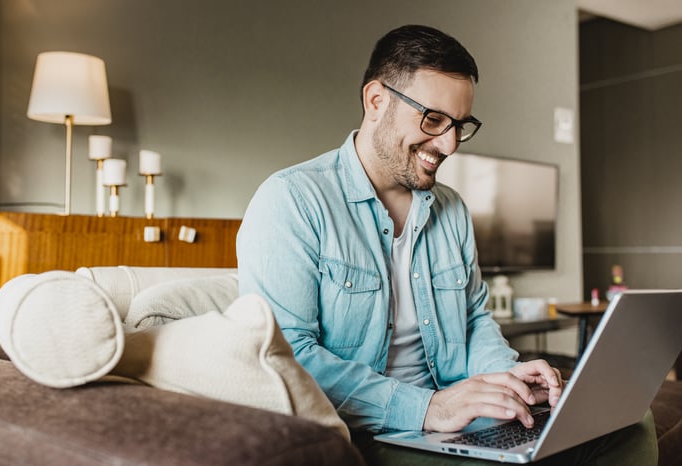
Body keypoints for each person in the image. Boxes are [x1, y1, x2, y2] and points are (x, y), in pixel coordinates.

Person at [236, 24, 657, 465]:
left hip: (458, 418)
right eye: (433, 119)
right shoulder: (291, 200)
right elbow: (287, 358)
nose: (449, 143)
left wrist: (506, 374)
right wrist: (430, 408)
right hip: (371, 431)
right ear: (376, 101)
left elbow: (474, 319)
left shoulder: (451, 209)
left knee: (629, 422)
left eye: (460, 125)